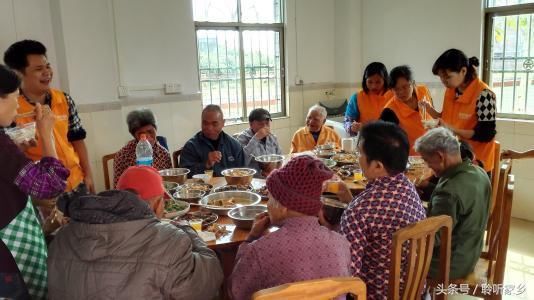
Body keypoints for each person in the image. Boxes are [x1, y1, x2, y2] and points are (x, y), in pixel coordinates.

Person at [48, 165, 224, 299]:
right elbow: (208, 282)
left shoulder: (62, 236)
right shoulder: (168, 240)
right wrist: (185, 228)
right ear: (156, 205)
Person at [322, 121, 426, 299]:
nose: (357, 158)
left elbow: (347, 275)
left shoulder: (359, 211)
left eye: (360, 153)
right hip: (415, 291)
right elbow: (379, 217)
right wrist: (350, 200)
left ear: (377, 166)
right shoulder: (408, 187)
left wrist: (327, 230)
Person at [229, 156, 351, 300]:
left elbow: (236, 292)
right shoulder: (341, 243)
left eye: (270, 198)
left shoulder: (260, 250)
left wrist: (251, 238)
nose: (268, 205)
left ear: (283, 206)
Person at [0, 65, 69, 299]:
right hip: (8, 260)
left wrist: (16, 151)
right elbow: (49, 186)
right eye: (14, 97)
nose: (18, 105)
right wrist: (46, 133)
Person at [4, 39, 93, 192]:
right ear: (18, 74)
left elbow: (77, 140)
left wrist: (89, 174)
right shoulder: (10, 112)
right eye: (39, 69)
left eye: (48, 66)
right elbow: (12, 158)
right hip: (43, 190)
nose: (47, 72)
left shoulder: (64, 99)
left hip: (77, 182)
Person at [414, 127, 490, 280]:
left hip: (448, 265)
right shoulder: (479, 172)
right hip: (469, 253)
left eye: (428, 162)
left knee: (387, 255)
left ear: (440, 156)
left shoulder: (448, 193)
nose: (428, 167)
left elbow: (431, 240)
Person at [423, 48, 497, 173]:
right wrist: (430, 111)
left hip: (476, 164)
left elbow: (486, 134)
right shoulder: (452, 90)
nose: (444, 81)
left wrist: (451, 129)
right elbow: (446, 117)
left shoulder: (484, 95)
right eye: (441, 78)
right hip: (454, 159)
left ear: (463, 71)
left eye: (447, 77)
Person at [380, 65, 434, 155]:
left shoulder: (423, 91)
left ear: (413, 83)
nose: (401, 92)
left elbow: (433, 113)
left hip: (432, 152)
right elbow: (383, 137)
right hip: (411, 159)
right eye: (396, 89)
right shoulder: (390, 110)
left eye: (405, 87)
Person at [179, 104, 245, 176]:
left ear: (223, 123)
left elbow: (242, 173)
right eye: (205, 123)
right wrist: (206, 165)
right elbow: (184, 175)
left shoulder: (234, 145)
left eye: (214, 124)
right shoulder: (191, 146)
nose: (209, 128)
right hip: (200, 186)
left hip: (229, 186)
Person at [113, 108, 172, 187]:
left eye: (150, 132)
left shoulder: (164, 154)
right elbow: (118, 190)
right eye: (141, 134)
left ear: (156, 130)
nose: (147, 137)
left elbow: (169, 185)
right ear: (134, 135)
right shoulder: (122, 156)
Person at [344, 62, 393, 136]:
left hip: (389, 140)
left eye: (378, 82)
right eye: (370, 82)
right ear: (365, 80)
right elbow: (347, 121)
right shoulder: (357, 97)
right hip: (365, 140)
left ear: (385, 80)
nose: (373, 86)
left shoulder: (394, 95)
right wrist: (352, 127)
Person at [235, 108, 282, 177]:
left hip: (271, 178)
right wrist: (256, 138)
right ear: (251, 125)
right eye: (260, 124)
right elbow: (241, 163)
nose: (264, 127)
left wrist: (275, 171)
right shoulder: (242, 138)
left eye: (267, 123)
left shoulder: (272, 138)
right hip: (253, 179)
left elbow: (279, 159)